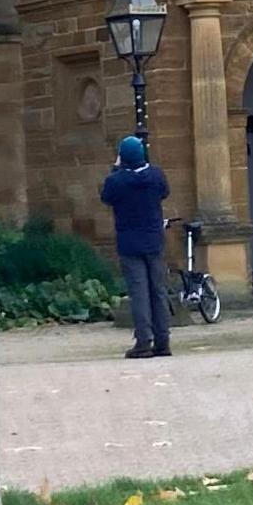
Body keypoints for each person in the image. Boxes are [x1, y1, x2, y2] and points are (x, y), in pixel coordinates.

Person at [101, 134, 174, 358]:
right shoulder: (156, 175)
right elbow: (165, 192)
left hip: (130, 243)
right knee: (159, 291)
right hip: (154, 240)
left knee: (139, 292)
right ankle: (163, 341)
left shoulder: (116, 181)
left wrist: (116, 169)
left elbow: (106, 197)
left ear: (122, 157)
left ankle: (144, 341)